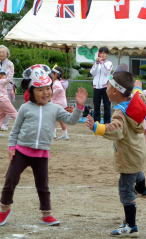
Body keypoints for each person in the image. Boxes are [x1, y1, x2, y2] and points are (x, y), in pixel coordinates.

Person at [0, 65, 87, 227]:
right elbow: (15, 130)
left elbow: (71, 120)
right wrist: (11, 147)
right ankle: (4, 209)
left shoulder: (54, 108)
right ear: (32, 92)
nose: (45, 92)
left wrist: (79, 107)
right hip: (21, 152)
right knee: (10, 180)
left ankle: (46, 214)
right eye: (40, 90)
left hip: (41, 154)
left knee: (43, 185)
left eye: (48, 89)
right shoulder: (25, 108)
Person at [86, 71, 146, 237]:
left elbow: (116, 130)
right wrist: (137, 86)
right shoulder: (136, 100)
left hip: (128, 154)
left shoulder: (119, 112)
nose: (106, 88)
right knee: (137, 170)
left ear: (114, 91)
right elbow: (138, 92)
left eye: (108, 86)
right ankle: (143, 189)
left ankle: (131, 225)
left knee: (125, 190)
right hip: (139, 150)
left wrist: (97, 127)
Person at [90, 47, 113, 124]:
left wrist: (102, 63)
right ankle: (97, 122)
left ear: (107, 54)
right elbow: (92, 72)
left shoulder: (109, 63)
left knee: (107, 106)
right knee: (96, 105)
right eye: (101, 53)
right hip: (96, 86)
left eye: (104, 53)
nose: (102, 55)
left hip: (105, 87)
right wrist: (96, 63)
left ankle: (107, 123)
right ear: (99, 54)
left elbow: (106, 71)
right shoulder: (96, 63)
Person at [51, 66, 69, 139]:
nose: (51, 75)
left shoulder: (56, 83)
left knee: (52, 118)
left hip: (58, 103)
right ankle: (65, 134)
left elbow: (59, 89)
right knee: (60, 119)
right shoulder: (57, 82)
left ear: (56, 74)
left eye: (52, 73)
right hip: (61, 103)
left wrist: (51, 94)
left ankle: (53, 134)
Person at [0, 45, 15, 131]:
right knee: (1, 108)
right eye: (0, 52)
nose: (1, 54)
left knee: (7, 107)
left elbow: (10, 76)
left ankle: (5, 124)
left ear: (7, 53)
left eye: (3, 52)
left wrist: (4, 81)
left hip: (7, 87)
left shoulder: (10, 64)